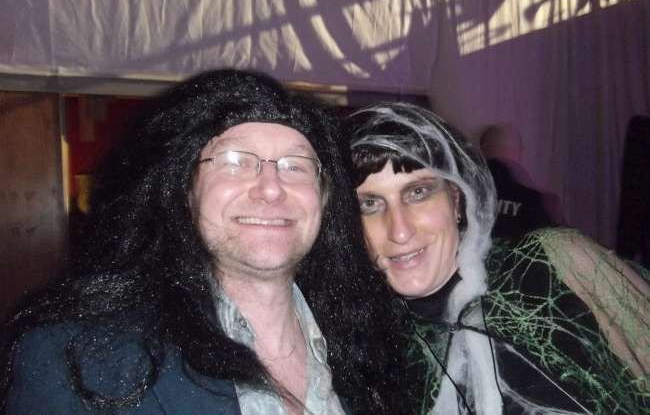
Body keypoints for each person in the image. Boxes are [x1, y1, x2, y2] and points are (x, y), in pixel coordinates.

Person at [1, 70, 417, 414]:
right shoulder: (75, 359)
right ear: (185, 189)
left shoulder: (371, 347)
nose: (271, 188)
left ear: (325, 199)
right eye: (235, 161)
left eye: (295, 166)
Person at [346, 102, 649, 414]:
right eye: (369, 204)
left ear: (456, 198)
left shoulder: (555, 263)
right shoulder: (367, 354)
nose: (399, 231)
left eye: (418, 192)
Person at [479, 124, 562, 239]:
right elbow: (564, 244)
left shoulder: (463, 191)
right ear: (519, 150)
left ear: (483, 149)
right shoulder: (545, 201)